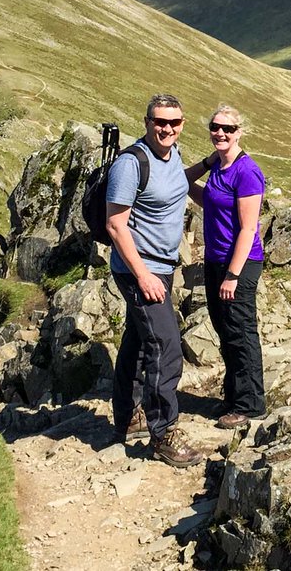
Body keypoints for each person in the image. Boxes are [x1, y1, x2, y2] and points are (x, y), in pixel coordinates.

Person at [106, 93, 212, 467]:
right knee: (166, 347)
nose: (167, 128)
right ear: (147, 121)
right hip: (141, 270)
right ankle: (163, 432)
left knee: (138, 341)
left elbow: (177, 183)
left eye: (175, 122)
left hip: (162, 268)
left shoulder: (172, 155)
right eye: (160, 122)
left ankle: (127, 418)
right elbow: (116, 225)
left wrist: (209, 164)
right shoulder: (130, 164)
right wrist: (143, 275)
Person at [188, 104, 267, 430]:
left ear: (240, 132)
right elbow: (186, 185)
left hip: (240, 263)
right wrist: (208, 161)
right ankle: (234, 397)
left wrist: (233, 275)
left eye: (228, 129)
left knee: (240, 332)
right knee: (224, 330)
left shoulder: (246, 172)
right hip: (215, 260)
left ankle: (251, 404)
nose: (220, 133)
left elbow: (248, 230)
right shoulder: (220, 168)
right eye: (215, 127)